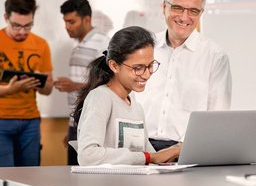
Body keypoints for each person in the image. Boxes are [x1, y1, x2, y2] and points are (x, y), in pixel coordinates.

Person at [136, 0, 232, 151]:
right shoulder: (142, 47)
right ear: (164, 7)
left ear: (201, 14)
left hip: (186, 151)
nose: (184, 17)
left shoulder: (215, 56)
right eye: (178, 8)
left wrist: (182, 150)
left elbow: (217, 116)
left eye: (193, 11)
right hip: (138, 150)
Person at [74, 26, 180, 165]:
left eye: (150, 66)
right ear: (114, 66)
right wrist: (149, 158)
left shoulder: (136, 107)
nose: (147, 74)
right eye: (138, 68)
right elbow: (88, 155)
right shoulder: (100, 98)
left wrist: (174, 151)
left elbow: (151, 157)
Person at [54, 0, 110, 165]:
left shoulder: (103, 43)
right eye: (65, 22)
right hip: (77, 124)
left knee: (87, 179)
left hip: (92, 124)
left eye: (71, 22)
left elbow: (108, 84)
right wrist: (70, 127)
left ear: (87, 19)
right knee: (73, 176)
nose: (67, 27)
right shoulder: (79, 44)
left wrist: (73, 85)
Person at [0, 0, 53, 167]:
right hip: (1, 120)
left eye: (28, 26)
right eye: (16, 26)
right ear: (6, 17)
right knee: (4, 180)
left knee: (31, 178)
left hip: (30, 121)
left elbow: (48, 90)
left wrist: (40, 82)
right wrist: (10, 90)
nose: (22, 32)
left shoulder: (41, 44)